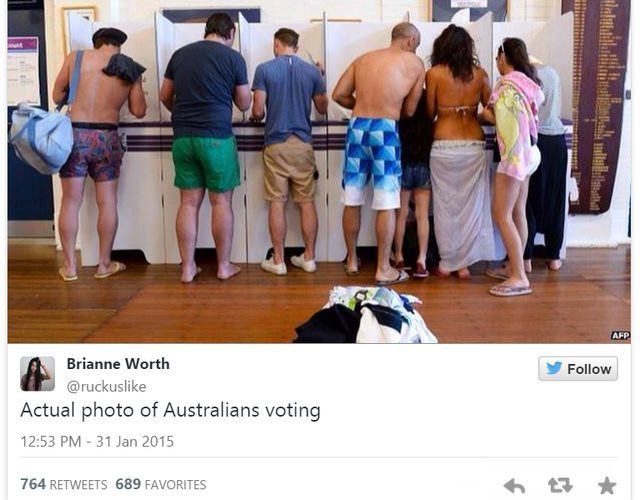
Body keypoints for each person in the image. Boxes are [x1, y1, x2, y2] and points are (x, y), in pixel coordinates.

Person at [160, 13, 251, 283]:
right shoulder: (233, 58)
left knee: (188, 203)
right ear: (230, 33)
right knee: (220, 201)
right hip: (216, 138)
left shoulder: (179, 55)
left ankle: (188, 268)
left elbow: (165, 96)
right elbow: (244, 103)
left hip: (182, 138)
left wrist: (183, 114)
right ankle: (223, 266)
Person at [332, 22, 424, 285]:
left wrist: (361, 104)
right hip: (385, 129)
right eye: (416, 45)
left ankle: (352, 260)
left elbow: (338, 94)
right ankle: (383, 268)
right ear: (410, 41)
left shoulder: (363, 59)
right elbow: (409, 111)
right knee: (386, 200)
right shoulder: (415, 64)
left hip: (357, 126)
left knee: (352, 197)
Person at [52, 27, 147, 282]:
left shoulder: (76, 58)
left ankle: (70, 267)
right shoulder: (129, 66)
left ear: (97, 44)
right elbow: (139, 111)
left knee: (70, 202)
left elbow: (56, 95)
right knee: (107, 202)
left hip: (75, 136)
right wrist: (134, 83)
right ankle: (104, 264)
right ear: (119, 46)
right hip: (107, 137)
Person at [251, 28, 328, 275]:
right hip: (303, 144)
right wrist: (321, 77)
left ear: (277, 44)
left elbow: (257, 112)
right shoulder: (312, 71)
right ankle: (309, 258)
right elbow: (322, 108)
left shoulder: (264, 70)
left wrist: (261, 112)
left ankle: (278, 261)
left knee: (277, 202)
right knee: (306, 202)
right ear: (296, 46)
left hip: (276, 144)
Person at [425, 24, 493, 279]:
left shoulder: (433, 75)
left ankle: (446, 263)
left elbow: (429, 113)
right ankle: (463, 265)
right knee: (470, 208)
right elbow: (492, 110)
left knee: (445, 207)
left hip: (443, 145)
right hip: (474, 145)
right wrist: (471, 112)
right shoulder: (481, 75)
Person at [483, 38, 544, 297]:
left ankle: (519, 276)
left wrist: (483, 114)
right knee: (518, 211)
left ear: (504, 58)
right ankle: (518, 265)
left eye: (498, 58)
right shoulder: (527, 84)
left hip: (515, 156)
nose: (497, 63)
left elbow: (506, 124)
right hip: (531, 153)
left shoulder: (505, 86)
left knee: (502, 215)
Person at [523, 60, 568, 272]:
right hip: (558, 141)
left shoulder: (529, 75)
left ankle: (526, 258)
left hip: (537, 139)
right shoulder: (553, 73)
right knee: (557, 200)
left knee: (529, 201)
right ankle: (554, 257)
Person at [393, 90, 433, 278]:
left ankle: (399, 256)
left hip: (403, 164)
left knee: (400, 214)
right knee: (422, 215)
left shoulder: (401, 102)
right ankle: (421, 260)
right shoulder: (427, 105)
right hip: (423, 164)